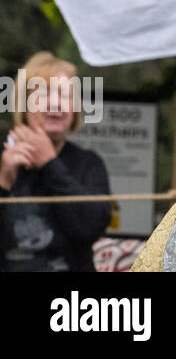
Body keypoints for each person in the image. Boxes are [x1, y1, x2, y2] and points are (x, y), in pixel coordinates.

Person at [0, 52, 111, 271]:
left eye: (66, 96)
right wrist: (3, 182)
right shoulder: (3, 159)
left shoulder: (89, 163)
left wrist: (49, 163)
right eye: (43, 95)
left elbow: (90, 229)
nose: (56, 104)